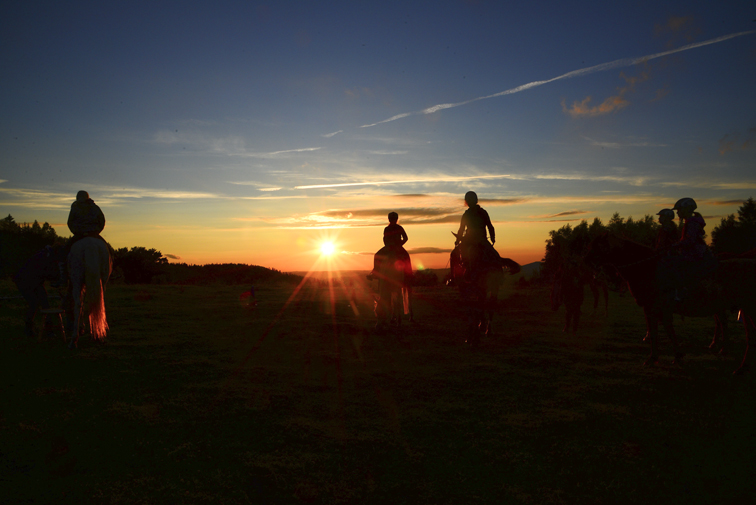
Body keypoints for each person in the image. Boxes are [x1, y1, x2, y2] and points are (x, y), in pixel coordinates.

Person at [53, 190, 106, 287]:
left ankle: (63, 278)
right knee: (109, 251)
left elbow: (70, 222)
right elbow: (102, 221)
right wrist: (96, 232)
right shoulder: (95, 207)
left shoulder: (75, 207)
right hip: (94, 234)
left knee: (63, 253)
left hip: (79, 235)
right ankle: (107, 273)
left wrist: (77, 232)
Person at [13, 246, 62, 336]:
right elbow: (46, 273)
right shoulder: (45, 258)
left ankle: (47, 328)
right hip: (26, 281)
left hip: (32, 280)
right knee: (34, 303)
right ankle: (32, 328)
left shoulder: (44, 255)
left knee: (43, 302)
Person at [456, 191, 500, 279]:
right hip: (482, 240)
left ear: (467, 201)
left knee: (462, 253)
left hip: (469, 241)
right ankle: (499, 275)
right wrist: (492, 238)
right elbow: (490, 226)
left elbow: (461, 229)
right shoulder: (483, 212)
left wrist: (457, 241)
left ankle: (466, 269)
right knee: (494, 255)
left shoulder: (466, 214)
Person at [367, 212, 412, 281]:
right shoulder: (398, 228)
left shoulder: (387, 228)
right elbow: (405, 238)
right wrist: (399, 245)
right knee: (406, 256)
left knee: (377, 256)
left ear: (389, 219)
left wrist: (390, 246)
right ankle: (410, 275)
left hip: (390, 247)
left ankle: (375, 273)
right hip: (396, 247)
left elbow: (385, 239)